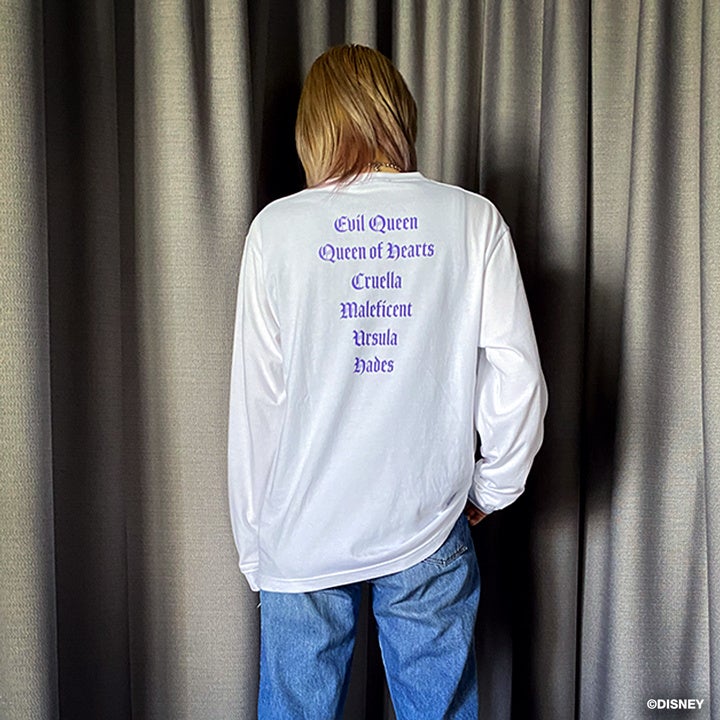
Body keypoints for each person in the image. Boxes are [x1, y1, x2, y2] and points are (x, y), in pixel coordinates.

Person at [228, 44, 547, 719]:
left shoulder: (274, 231)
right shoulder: (472, 219)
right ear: (398, 113)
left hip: (303, 531)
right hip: (427, 520)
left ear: (313, 129)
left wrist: (257, 550)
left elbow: (259, 406)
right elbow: (518, 376)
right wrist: (492, 486)